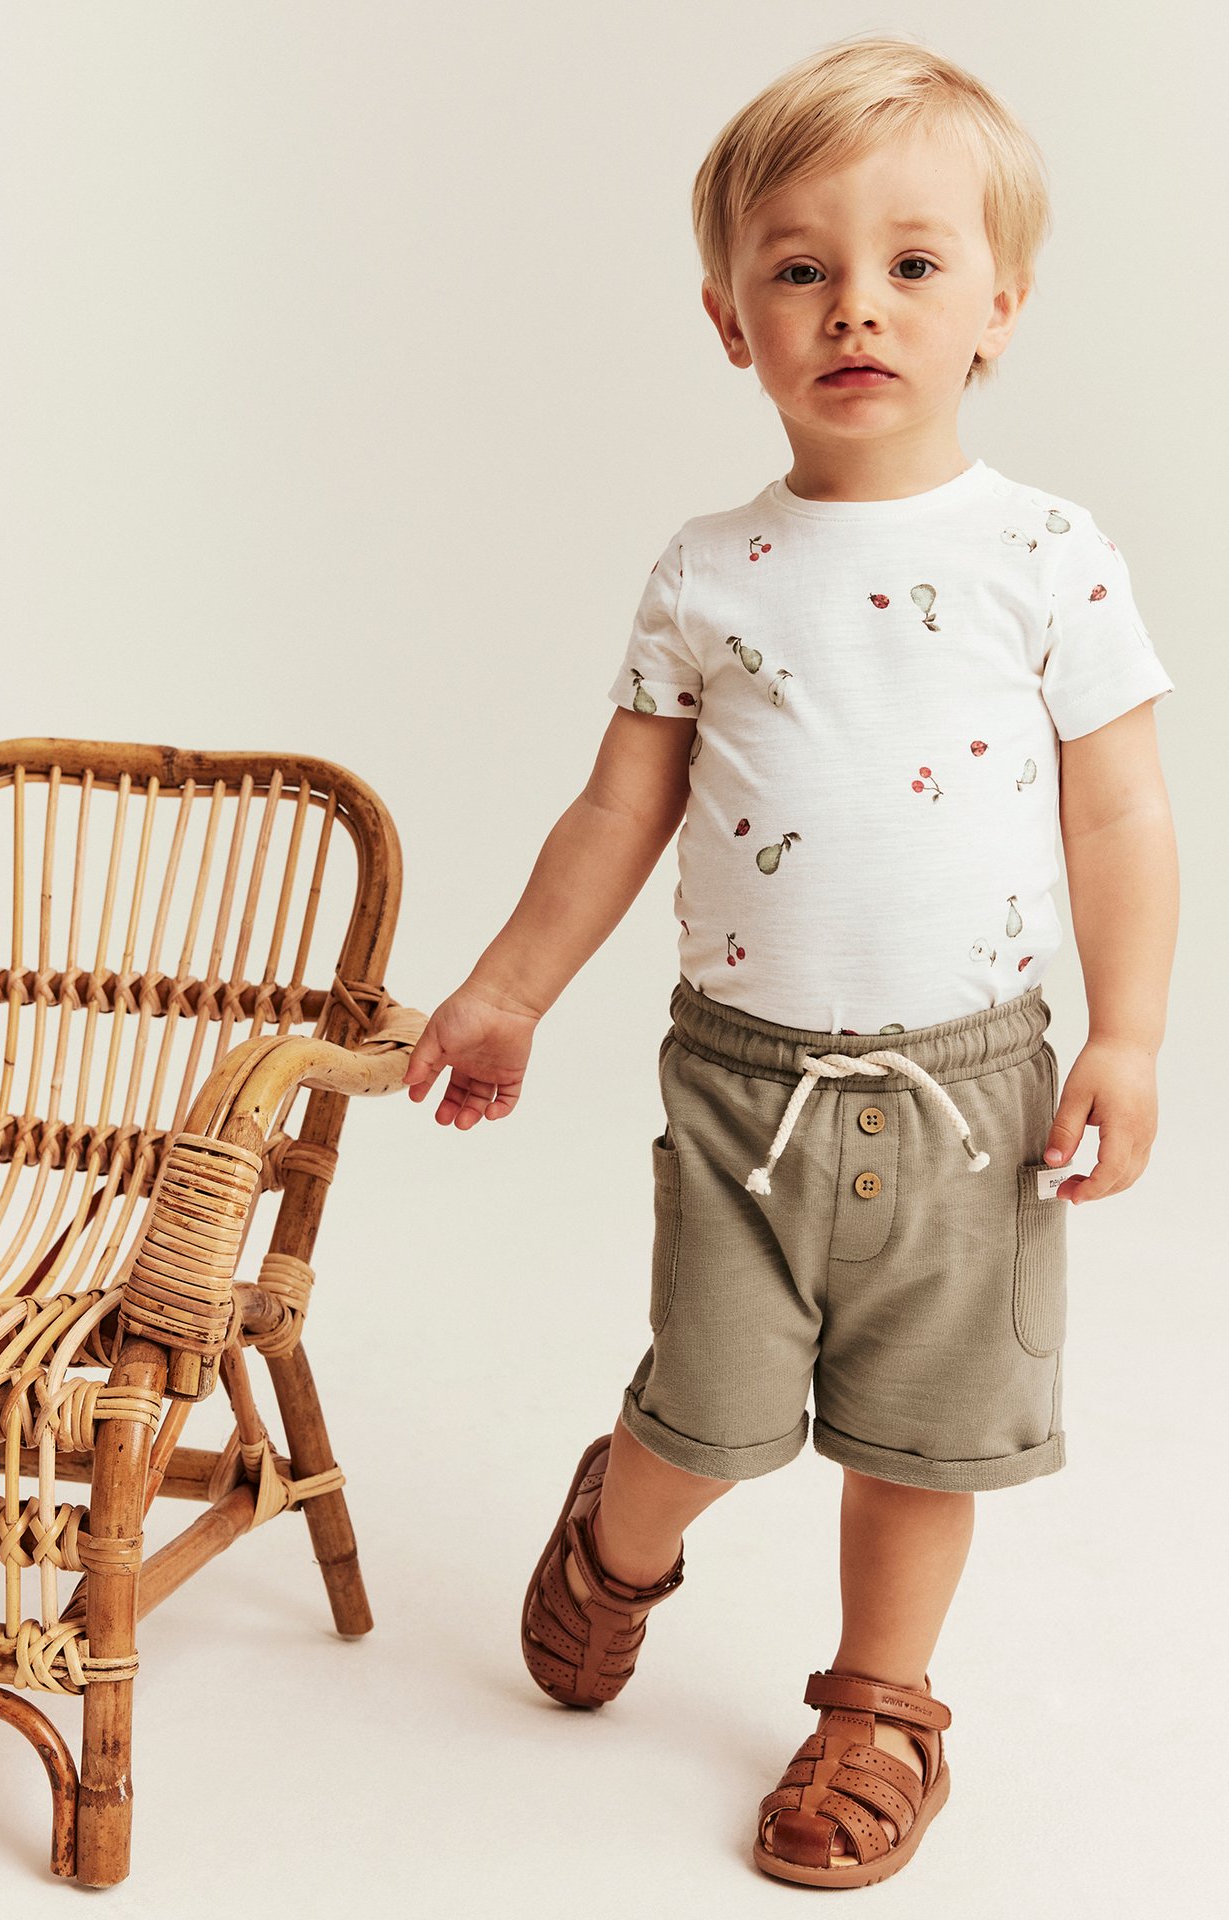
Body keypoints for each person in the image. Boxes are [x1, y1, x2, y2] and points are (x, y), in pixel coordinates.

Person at [398, 31, 1178, 1891]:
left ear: (1000, 307)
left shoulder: (1050, 555)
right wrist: (507, 988)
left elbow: (1123, 816)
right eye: (802, 267)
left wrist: (1131, 1035)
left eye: (914, 263)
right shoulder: (710, 571)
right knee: (713, 1414)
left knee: (923, 1439)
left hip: (974, 1094)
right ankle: (621, 1537)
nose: (857, 306)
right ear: (729, 318)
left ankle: (879, 1712)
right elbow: (619, 810)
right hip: (746, 1093)